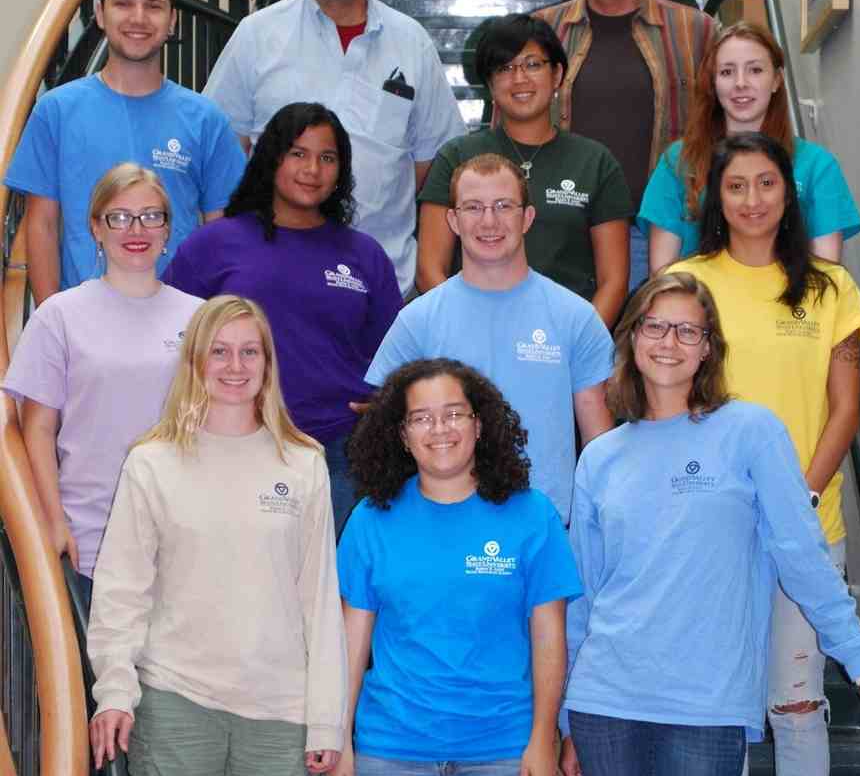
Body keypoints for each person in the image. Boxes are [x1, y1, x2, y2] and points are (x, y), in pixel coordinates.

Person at [558, 272, 860, 776]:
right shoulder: (600, 456)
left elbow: (802, 556)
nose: (669, 343)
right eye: (655, 326)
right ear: (633, 337)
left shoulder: (752, 432)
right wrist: (569, 718)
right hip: (607, 704)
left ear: (709, 349)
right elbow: (583, 598)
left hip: (708, 705)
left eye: (689, 332)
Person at [665, 132, 860, 776]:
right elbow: (664, 398)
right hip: (708, 524)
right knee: (718, 707)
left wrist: (800, 496)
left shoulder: (828, 286)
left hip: (810, 522)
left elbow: (843, 408)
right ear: (715, 200)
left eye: (765, 184)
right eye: (735, 186)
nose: (751, 199)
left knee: (796, 706)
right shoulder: (688, 284)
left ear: (788, 195)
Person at [87, 295, 347, 776]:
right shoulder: (151, 462)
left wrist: (326, 720)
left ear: (268, 364)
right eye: (220, 352)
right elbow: (122, 591)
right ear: (195, 362)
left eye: (250, 352)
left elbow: (319, 603)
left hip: (280, 712)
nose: (235, 366)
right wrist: (114, 690)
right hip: (177, 700)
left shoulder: (304, 463)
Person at [327, 357, 581, 776]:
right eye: (421, 418)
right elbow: (351, 643)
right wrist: (340, 740)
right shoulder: (371, 520)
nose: (439, 429)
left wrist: (544, 737)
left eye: (454, 414)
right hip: (392, 754)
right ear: (403, 435)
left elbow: (549, 638)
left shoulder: (532, 515)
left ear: (479, 425)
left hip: (503, 751)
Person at [202, 0, 466, 295]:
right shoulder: (257, 35)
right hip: (271, 279)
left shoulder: (411, 43)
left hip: (383, 282)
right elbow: (220, 152)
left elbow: (436, 165)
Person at [163, 102, 402, 530]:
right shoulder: (213, 246)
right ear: (271, 158)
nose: (312, 168)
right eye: (298, 153)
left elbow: (394, 358)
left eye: (327, 158)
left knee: (332, 588)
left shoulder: (365, 256)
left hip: (340, 452)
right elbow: (169, 340)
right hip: (235, 441)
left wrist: (381, 403)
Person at [366, 153, 614, 525]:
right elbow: (384, 436)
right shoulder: (416, 321)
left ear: (527, 217)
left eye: (503, 206)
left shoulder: (575, 317)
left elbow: (599, 445)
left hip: (546, 531)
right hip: (442, 527)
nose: (489, 221)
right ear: (453, 220)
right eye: (473, 207)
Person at [2, 163, 202, 605]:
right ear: (95, 227)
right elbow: (36, 429)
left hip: (186, 540)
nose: (137, 228)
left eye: (152, 216)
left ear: (168, 229)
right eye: (119, 216)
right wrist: (53, 522)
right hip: (91, 540)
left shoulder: (201, 318)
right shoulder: (59, 315)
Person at [5, 0, 246, 304]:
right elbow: (40, 226)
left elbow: (222, 232)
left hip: (178, 331)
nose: (138, 18)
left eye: (153, 6)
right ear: (101, 15)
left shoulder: (206, 119)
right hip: (85, 329)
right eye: (123, 4)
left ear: (172, 20)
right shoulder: (56, 110)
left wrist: (211, 327)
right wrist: (51, 325)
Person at [535, 0, 717, 288]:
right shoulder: (541, 33)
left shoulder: (696, 32)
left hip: (658, 237)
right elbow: (506, 133)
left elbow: (724, 132)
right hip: (559, 238)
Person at [417, 13, 632, 327]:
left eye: (532, 64)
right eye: (504, 68)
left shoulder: (596, 162)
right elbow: (428, 270)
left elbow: (613, 282)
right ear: (490, 84)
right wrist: (473, 334)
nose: (519, 79)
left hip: (565, 341)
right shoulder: (456, 156)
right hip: (470, 336)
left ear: (557, 74)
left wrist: (578, 347)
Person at [639, 21, 860, 272]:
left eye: (755, 70)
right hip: (701, 305)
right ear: (713, 83)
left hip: (789, 305)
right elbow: (662, 278)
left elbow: (827, 276)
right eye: (726, 72)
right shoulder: (679, 161)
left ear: (777, 80)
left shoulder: (817, 166)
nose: (740, 83)